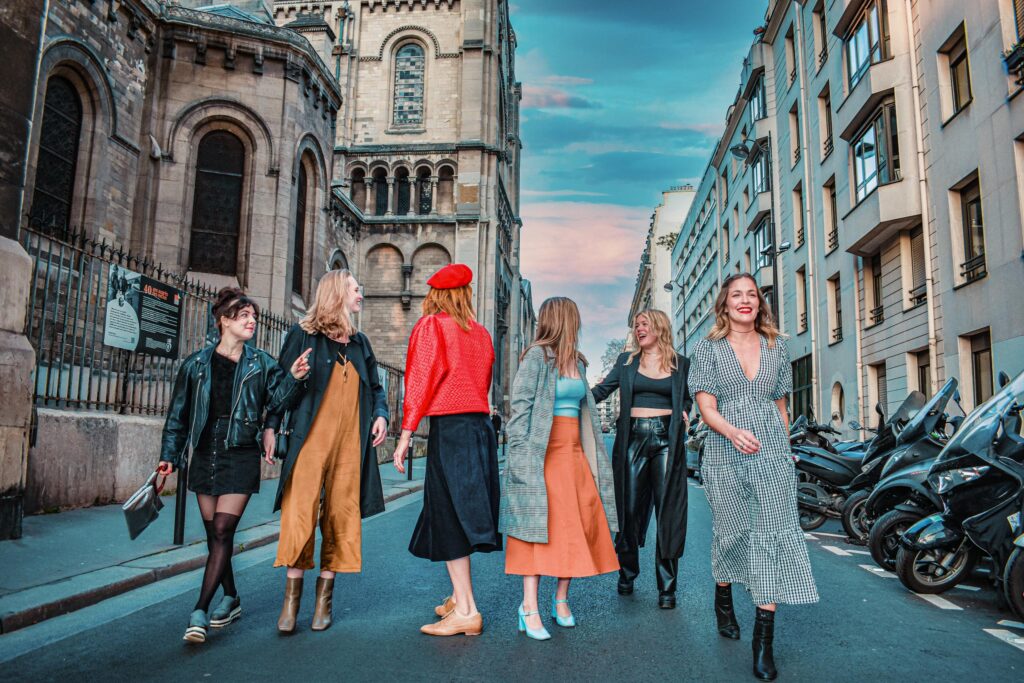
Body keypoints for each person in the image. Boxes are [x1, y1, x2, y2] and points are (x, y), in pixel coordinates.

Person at [158, 287, 309, 644]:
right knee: (216, 535)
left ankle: (199, 610)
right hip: (205, 451)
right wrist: (169, 455)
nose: (252, 321)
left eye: (253, 316)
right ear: (224, 321)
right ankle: (232, 596)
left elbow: (278, 402)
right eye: (244, 316)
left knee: (224, 529)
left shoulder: (262, 363)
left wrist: (294, 378)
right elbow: (178, 415)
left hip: (240, 451)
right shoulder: (195, 365)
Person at [688, 273, 818, 681]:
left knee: (771, 534)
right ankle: (723, 594)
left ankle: (763, 642)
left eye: (751, 295)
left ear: (760, 303)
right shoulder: (708, 349)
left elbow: (780, 407)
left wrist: (784, 450)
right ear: (725, 304)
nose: (744, 300)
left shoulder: (777, 347)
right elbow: (706, 408)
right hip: (724, 451)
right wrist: (732, 432)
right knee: (731, 532)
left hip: (770, 453)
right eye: (736, 295)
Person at [267, 269, 389, 633]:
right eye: (355, 289)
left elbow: (377, 389)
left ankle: (324, 602)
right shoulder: (302, 335)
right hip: (309, 442)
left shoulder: (360, 343)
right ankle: (290, 604)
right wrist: (293, 381)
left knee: (340, 516)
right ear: (337, 293)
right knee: (299, 515)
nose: (360, 295)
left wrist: (381, 415)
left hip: (350, 444)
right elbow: (277, 392)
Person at [500, 297, 618, 641]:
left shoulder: (578, 362)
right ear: (564, 319)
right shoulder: (536, 357)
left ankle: (561, 601)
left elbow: (585, 412)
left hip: (575, 454)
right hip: (543, 454)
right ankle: (529, 607)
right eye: (574, 317)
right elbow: (520, 410)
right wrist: (519, 459)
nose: (578, 323)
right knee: (537, 528)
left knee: (575, 527)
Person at [392, 263, 500, 637]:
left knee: (449, 514)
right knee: (463, 511)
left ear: (436, 295)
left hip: (451, 430)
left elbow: (420, 381)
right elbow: (483, 381)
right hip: (480, 429)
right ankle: (458, 597)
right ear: (465, 294)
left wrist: (405, 434)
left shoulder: (432, 326)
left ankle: (467, 611)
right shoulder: (481, 333)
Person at [592, 309, 692, 609]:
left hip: (666, 439)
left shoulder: (680, 363)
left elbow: (688, 396)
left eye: (644, 323)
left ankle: (667, 587)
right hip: (632, 438)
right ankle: (627, 572)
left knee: (668, 511)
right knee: (629, 508)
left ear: (659, 327)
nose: (639, 329)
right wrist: (568, 396)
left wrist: (685, 409)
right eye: (636, 325)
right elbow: (601, 390)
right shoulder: (626, 362)